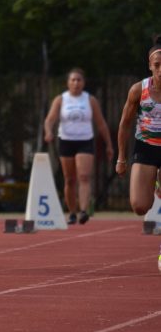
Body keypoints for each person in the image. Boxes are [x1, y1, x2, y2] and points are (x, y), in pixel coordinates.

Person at [44, 67, 114, 225]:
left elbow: (101, 123)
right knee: (69, 179)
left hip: (85, 140)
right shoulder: (61, 99)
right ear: (68, 83)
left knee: (84, 176)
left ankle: (83, 211)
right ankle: (72, 212)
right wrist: (48, 132)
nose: (76, 83)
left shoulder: (90, 100)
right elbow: (50, 119)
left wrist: (109, 144)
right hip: (66, 140)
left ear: (84, 82)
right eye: (73, 80)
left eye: (79, 80)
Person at [116, 34, 161, 271]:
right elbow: (124, 124)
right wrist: (121, 158)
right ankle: (155, 184)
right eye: (157, 65)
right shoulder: (138, 90)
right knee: (140, 206)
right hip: (145, 147)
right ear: (150, 66)